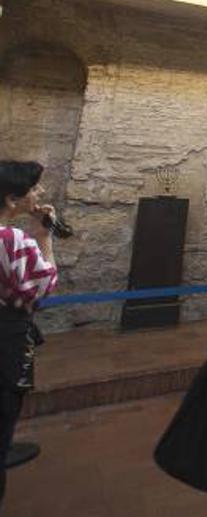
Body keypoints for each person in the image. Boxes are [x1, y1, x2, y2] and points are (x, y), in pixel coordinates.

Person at [0, 161, 60, 506]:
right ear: (11, 199)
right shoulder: (12, 240)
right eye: (33, 188)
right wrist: (43, 236)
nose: (38, 193)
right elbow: (44, 286)